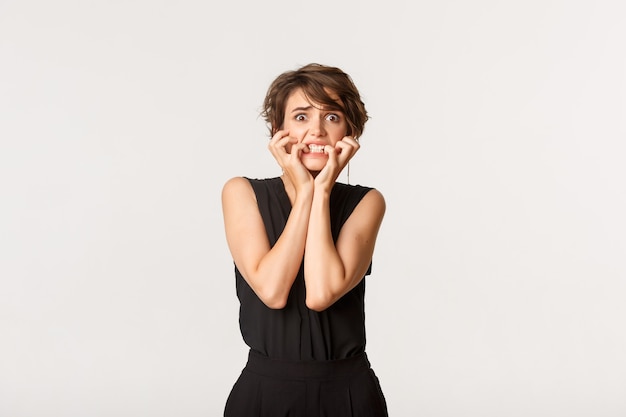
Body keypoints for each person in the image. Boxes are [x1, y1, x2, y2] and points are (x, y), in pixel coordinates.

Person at [221, 63, 388, 416]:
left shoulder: (367, 202)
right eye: (300, 117)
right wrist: (305, 193)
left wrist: (321, 191)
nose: (316, 130)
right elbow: (272, 290)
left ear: (349, 130)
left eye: (332, 117)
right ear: (277, 130)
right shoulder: (241, 193)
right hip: (264, 392)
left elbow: (321, 294)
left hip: (347, 394)